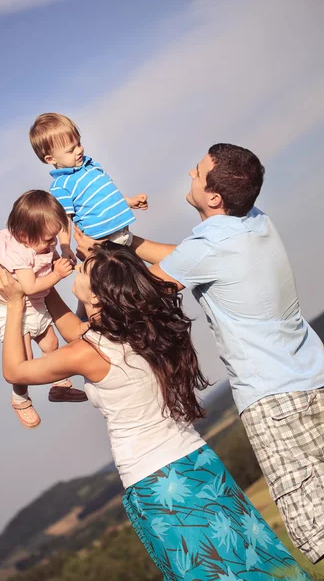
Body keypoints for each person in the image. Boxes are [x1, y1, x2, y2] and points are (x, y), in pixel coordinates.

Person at [0, 242, 312, 580]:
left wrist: (15, 303)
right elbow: (74, 330)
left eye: (85, 267)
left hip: (160, 482)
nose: (79, 265)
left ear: (98, 297)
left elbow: (16, 370)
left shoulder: (89, 351)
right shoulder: (140, 332)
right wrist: (44, 288)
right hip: (197, 462)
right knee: (256, 562)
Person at [75, 142, 324, 564]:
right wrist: (126, 240)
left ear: (213, 196)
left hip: (274, 399)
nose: (189, 174)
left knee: (315, 525)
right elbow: (183, 259)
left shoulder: (209, 246)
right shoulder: (254, 223)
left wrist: (95, 262)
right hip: (315, 378)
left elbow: (141, 292)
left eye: (196, 172)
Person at [0, 190, 87, 430]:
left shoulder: (42, 244)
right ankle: (20, 399)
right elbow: (29, 286)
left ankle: (58, 385)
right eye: (49, 240)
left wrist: (65, 253)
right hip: (14, 310)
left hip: (36, 304)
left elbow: (60, 234)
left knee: (50, 344)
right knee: (24, 360)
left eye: (54, 238)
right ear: (25, 236)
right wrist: (57, 274)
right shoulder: (21, 253)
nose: (53, 244)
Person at [29, 112, 148, 266]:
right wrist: (65, 247)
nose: (79, 150)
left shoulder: (90, 165)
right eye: (71, 150)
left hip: (121, 231)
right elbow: (64, 218)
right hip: (102, 240)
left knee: (137, 269)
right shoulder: (61, 185)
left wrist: (129, 201)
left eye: (78, 143)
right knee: (126, 275)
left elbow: (107, 192)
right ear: (51, 159)